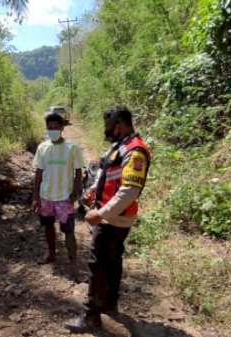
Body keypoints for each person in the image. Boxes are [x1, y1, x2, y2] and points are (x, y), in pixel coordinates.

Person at [64, 105, 151, 333]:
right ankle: (110, 304)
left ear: (120, 125)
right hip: (112, 215)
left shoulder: (135, 150)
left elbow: (130, 190)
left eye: (109, 127)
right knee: (113, 260)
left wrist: (100, 214)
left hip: (114, 219)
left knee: (97, 264)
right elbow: (105, 173)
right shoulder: (119, 146)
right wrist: (93, 189)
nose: (107, 131)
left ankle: (90, 315)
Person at [32, 112, 84, 277]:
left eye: (55, 128)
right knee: (48, 227)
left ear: (62, 128)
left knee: (68, 231)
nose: (52, 131)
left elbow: (78, 173)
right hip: (46, 196)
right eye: (49, 128)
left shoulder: (72, 148)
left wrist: (74, 193)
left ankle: (74, 264)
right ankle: (51, 253)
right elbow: (38, 173)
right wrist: (35, 196)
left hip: (64, 198)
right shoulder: (42, 148)